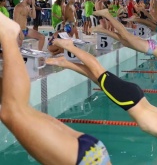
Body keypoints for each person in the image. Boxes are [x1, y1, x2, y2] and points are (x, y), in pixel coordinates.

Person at [0, 12, 111, 165]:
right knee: (13, 112)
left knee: (22, 110)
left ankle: (8, 35)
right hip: (87, 159)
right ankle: (8, 35)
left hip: (93, 153)